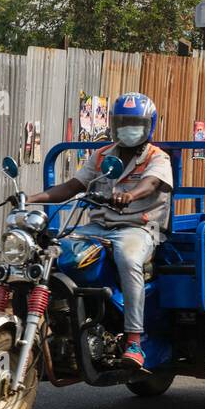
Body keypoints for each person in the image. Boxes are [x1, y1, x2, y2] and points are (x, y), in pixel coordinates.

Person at [26, 92, 172, 369]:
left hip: (140, 227)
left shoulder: (157, 157)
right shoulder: (102, 155)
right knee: (51, 253)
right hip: (98, 226)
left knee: (128, 260)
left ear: (148, 125)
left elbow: (151, 184)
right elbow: (71, 188)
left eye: (135, 122)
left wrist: (130, 195)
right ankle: (58, 328)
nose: (128, 128)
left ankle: (134, 341)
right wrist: (29, 198)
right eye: (122, 122)